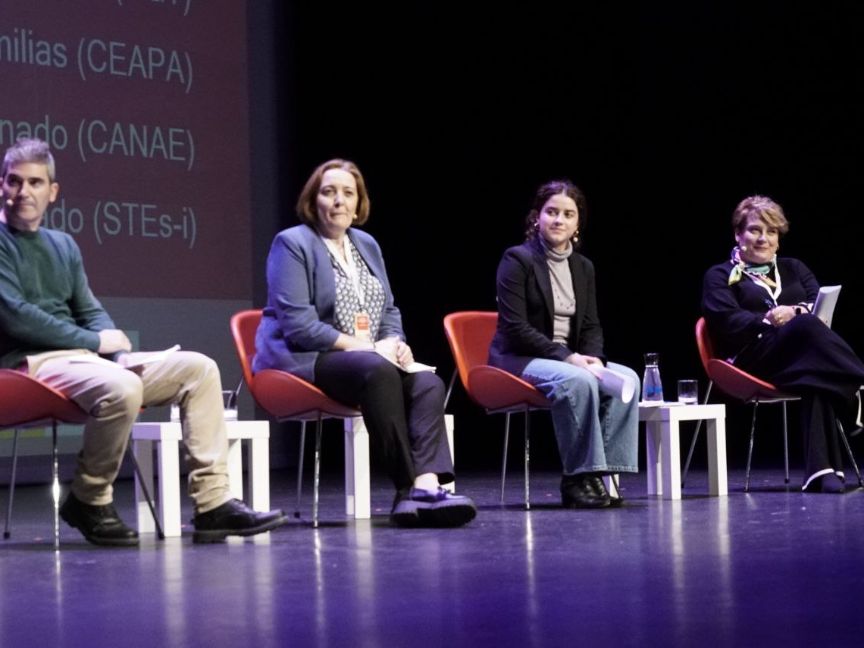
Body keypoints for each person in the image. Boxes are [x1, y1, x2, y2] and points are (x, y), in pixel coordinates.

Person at [0, 138, 287, 545]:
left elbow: (89, 308)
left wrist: (118, 353)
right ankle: (89, 498)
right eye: (14, 181)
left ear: (53, 191)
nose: (23, 191)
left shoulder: (63, 245)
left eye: (35, 182)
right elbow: (16, 317)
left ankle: (213, 504)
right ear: (1, 185)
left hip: (83, 362)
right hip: (29, 365)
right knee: (123, 387)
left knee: (199, 370)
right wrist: (96, 341)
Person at [253, 159, 476, 527]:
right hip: (305, 357)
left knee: (427, 382)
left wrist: (394, 341)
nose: (339, 201)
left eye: (348, 193)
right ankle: (407, 487)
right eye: (329, 192)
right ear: (313, 200)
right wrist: (369, 348)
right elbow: (298, 325)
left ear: (359, 204)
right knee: (376, 370)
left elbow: (388, 309)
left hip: (366, 358)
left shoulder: (366, 244)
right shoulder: (293, 243)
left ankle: (426, 485)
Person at [488, 180, 639, 508]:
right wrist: (568, 358)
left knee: (627, 378)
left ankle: (606, 476)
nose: (559, 220)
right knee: (578, 380)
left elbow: (591, 324)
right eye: (551, 212)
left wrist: (595, 358)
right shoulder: (517, 259)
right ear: (537, 217)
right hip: (520, 357)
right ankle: (577, 477)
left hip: (570, 358)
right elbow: (515, 327)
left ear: (577, 222)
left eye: (568, 214)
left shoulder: (583, 267)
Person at [702, 195, 864, 492]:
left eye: (772, 232)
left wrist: (796, 312)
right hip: (753, 357)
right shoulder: (720, 275)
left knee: (816, 372)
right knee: (806, 327)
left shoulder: (794, 268)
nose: (763, 239)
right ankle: (857, 385)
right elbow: (725, 319)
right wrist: (769, 319)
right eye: (754, 230)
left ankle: (823, 473)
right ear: (738, 234)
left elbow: (817, 300)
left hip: (800, 357)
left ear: (779, 239)